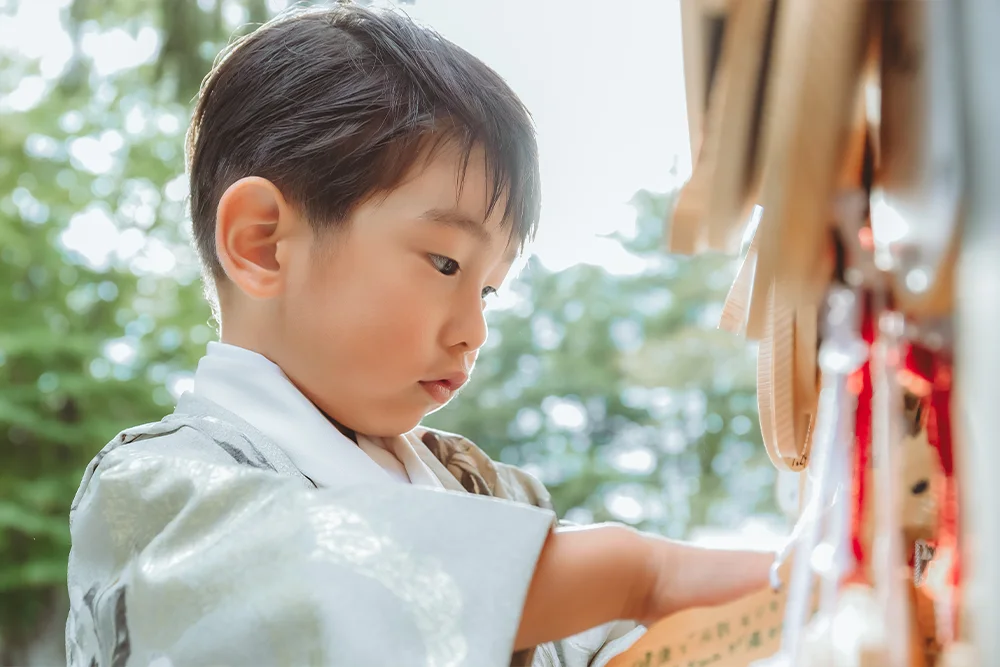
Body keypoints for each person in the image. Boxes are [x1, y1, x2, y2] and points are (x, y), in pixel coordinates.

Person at [65, 4, 777, 666]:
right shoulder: (153, 491)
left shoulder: (488, 494)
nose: (475, 331)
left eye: (489, 289)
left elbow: (616, 642)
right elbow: (308, 587)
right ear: (263, 244)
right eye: (446, 263)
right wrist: (642, 573)